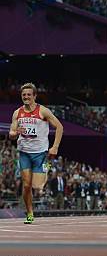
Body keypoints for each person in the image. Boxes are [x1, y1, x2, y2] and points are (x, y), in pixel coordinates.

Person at [8, 83, 63, 224]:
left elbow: (59, 127)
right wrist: (16, 133)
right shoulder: (17, 113)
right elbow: (11, 134)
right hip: (24, 152)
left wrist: (55, 146)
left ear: (34, 96)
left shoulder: (43, 111)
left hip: (40, 152)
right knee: (26, 185)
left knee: (37, 186)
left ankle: (48, 165)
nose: (26, 97)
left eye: (28, 95)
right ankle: (30, 213)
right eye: (24, 95)